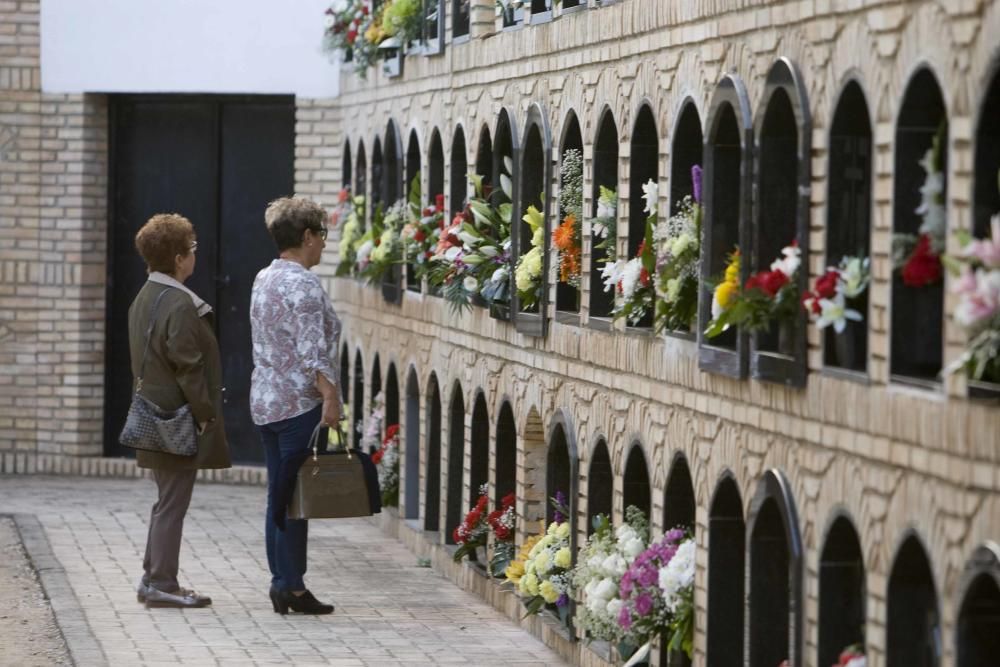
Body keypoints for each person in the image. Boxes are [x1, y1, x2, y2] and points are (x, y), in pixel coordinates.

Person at [129, 213, 231, 608]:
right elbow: (189, 366)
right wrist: (205, 414)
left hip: (154, 415)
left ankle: (152, 577)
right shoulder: (178, 303)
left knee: (165, 499)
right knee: (173, 502)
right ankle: (161, 584)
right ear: (176, 258)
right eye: (191, 250)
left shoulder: (144, 297)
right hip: (176, 420)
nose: (194, 256)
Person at [250, 197, 341, 615]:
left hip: (266, 402)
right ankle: (292, 586)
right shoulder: (302, 283)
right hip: (297, 406)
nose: (323, 244)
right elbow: (311, 351)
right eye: (321, 235)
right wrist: (331, 395)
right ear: (306, 237)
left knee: (279, 495)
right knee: (294, 499)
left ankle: (282, 581)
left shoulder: (263, 277)